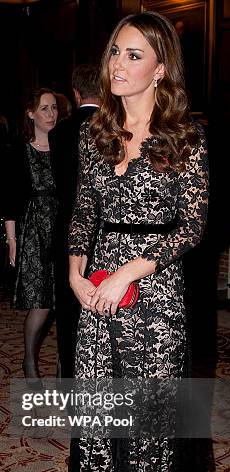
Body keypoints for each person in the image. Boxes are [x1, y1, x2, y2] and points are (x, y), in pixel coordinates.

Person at [68, 11, 224, 472]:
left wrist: (133, 266)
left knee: (151, 427)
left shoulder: (187, 135)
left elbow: (194, 225)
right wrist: (76, 276)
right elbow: (83, 214)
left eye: (134, 55)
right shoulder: (94, 132)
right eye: (115, 52)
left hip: (156, 294)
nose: (118, 65)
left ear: (162, 69)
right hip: (98, 293)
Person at [4, 88, 59, 386]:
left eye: (53, 109)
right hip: (33, 229)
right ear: (31, 113)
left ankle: (66, 366)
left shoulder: (64, 147)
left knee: (64, 298)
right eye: (44, 109)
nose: (50, 114)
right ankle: (29, 360)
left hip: (62, 228)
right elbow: (10, 198)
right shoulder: (19, 150)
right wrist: (12, 240)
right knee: (41, 302)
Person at [48, 65, 100, 379]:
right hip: (104, 232)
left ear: (76, 93)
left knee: (69, 315)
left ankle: (71, 385)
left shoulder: (59, 133)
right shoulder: (114, 128)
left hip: (66, 228)